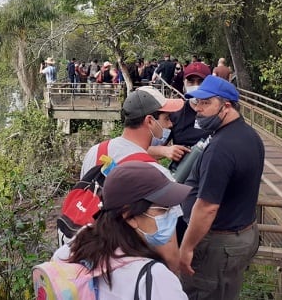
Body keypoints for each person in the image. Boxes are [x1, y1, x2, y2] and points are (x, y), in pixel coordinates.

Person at [179, 76, 265, 300]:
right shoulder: (250, 135)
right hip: (242, 234)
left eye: (206, 103)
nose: (199, 110)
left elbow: (207, 207)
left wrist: (187, 247)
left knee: (204, 293)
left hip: (219, 245)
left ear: (226, 106)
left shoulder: (221, 148)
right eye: (197, 103)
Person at [81, 86, 184, 272]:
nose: (170, 125)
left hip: (94, 260)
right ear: (150, 121)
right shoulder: (157, 175)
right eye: (166, 119)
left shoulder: (96, 152)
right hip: (132, 270)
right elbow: (169, 253)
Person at [54, 162, 190, 299]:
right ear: (129, 216)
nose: (172, 215)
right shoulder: (153, 279)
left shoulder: (69, 252)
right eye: (163, 209)